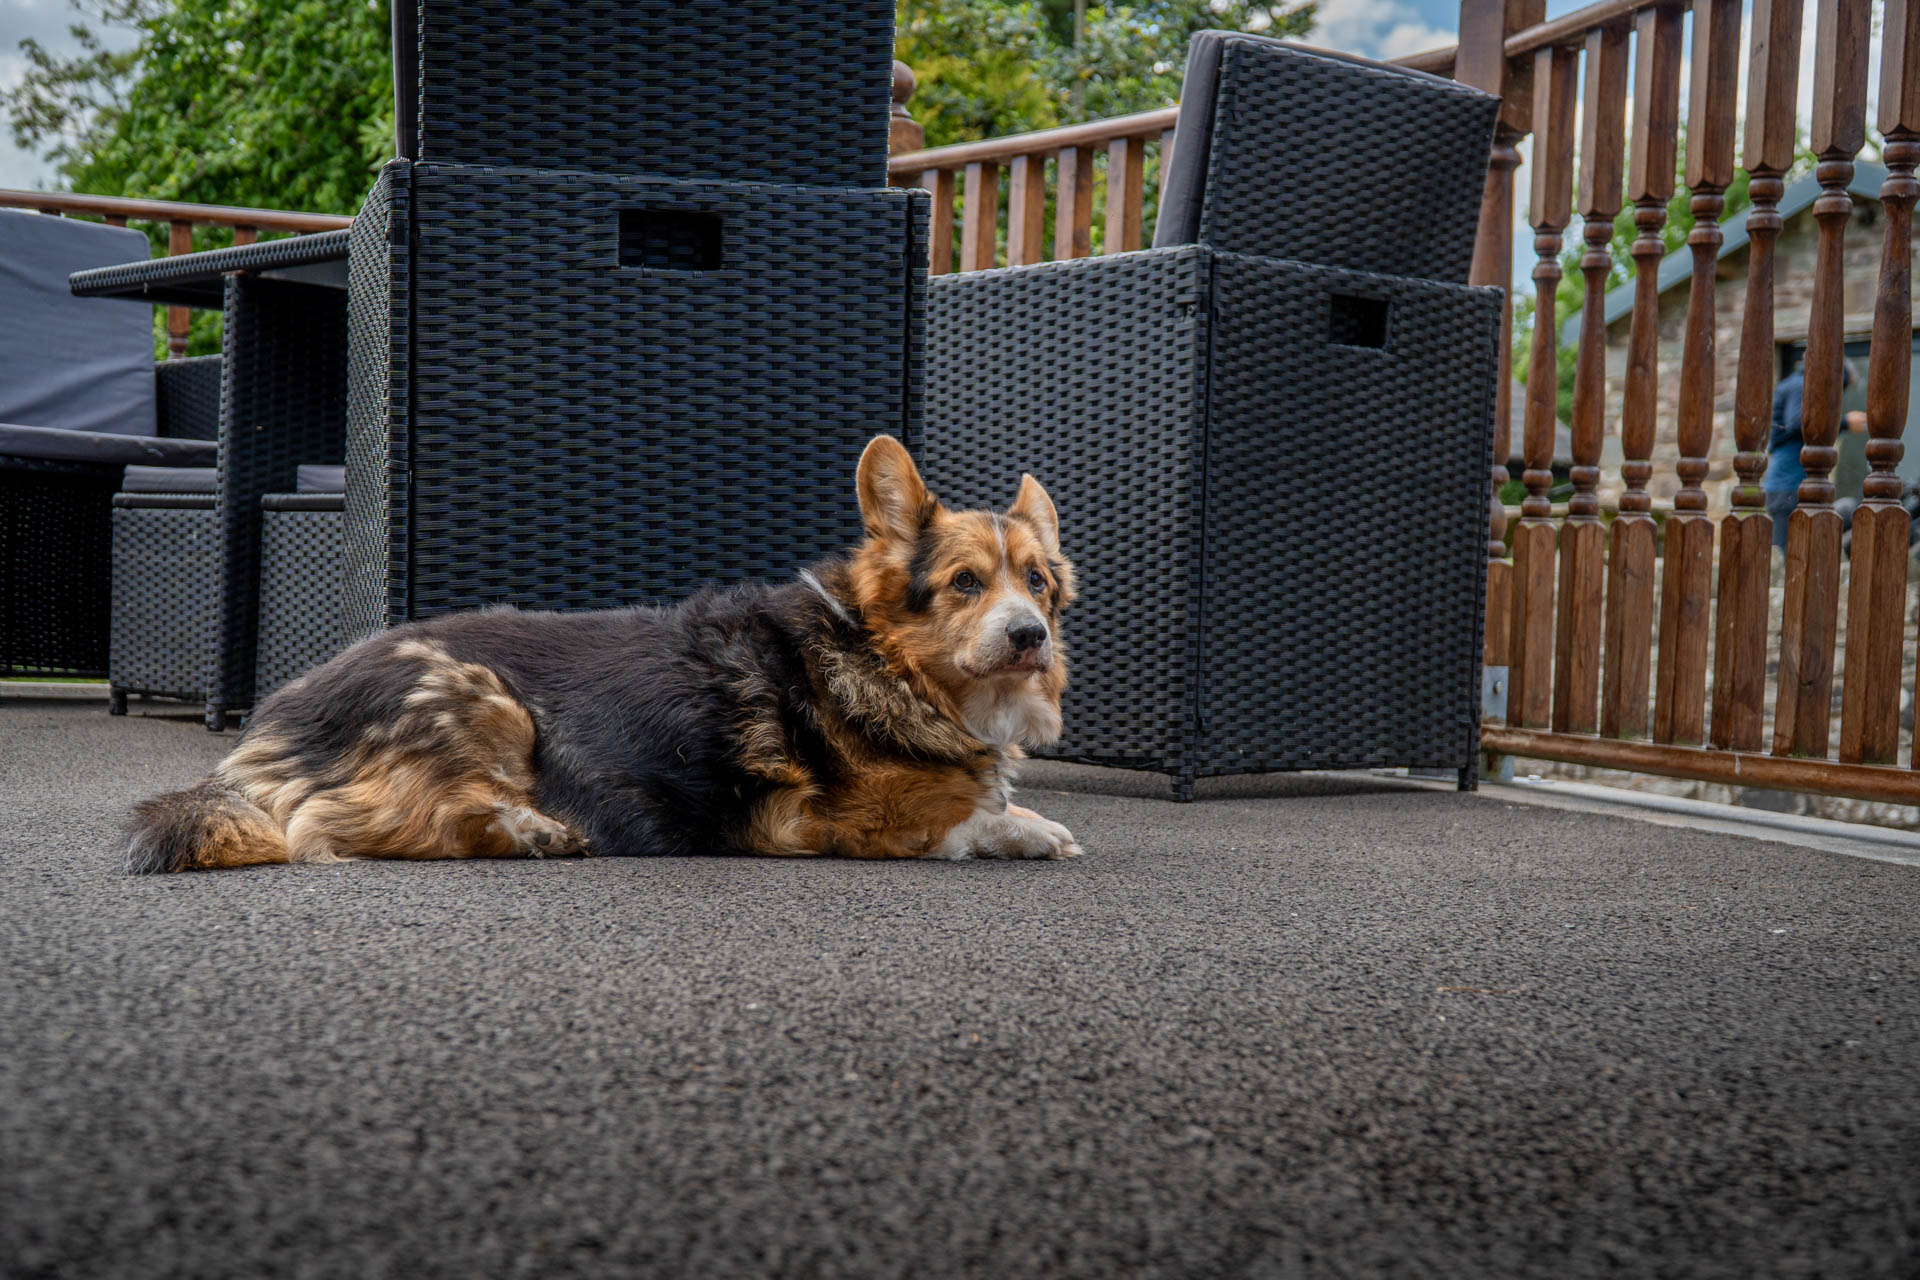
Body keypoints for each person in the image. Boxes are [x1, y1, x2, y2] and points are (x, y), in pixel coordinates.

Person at [1762, 360, 1865, 549]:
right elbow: (1798, 423)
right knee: (1785, 551)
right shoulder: (1800, 386)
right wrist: (1844, 423)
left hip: (1788, 483)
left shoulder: (1796, 384)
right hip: (1788, 485)